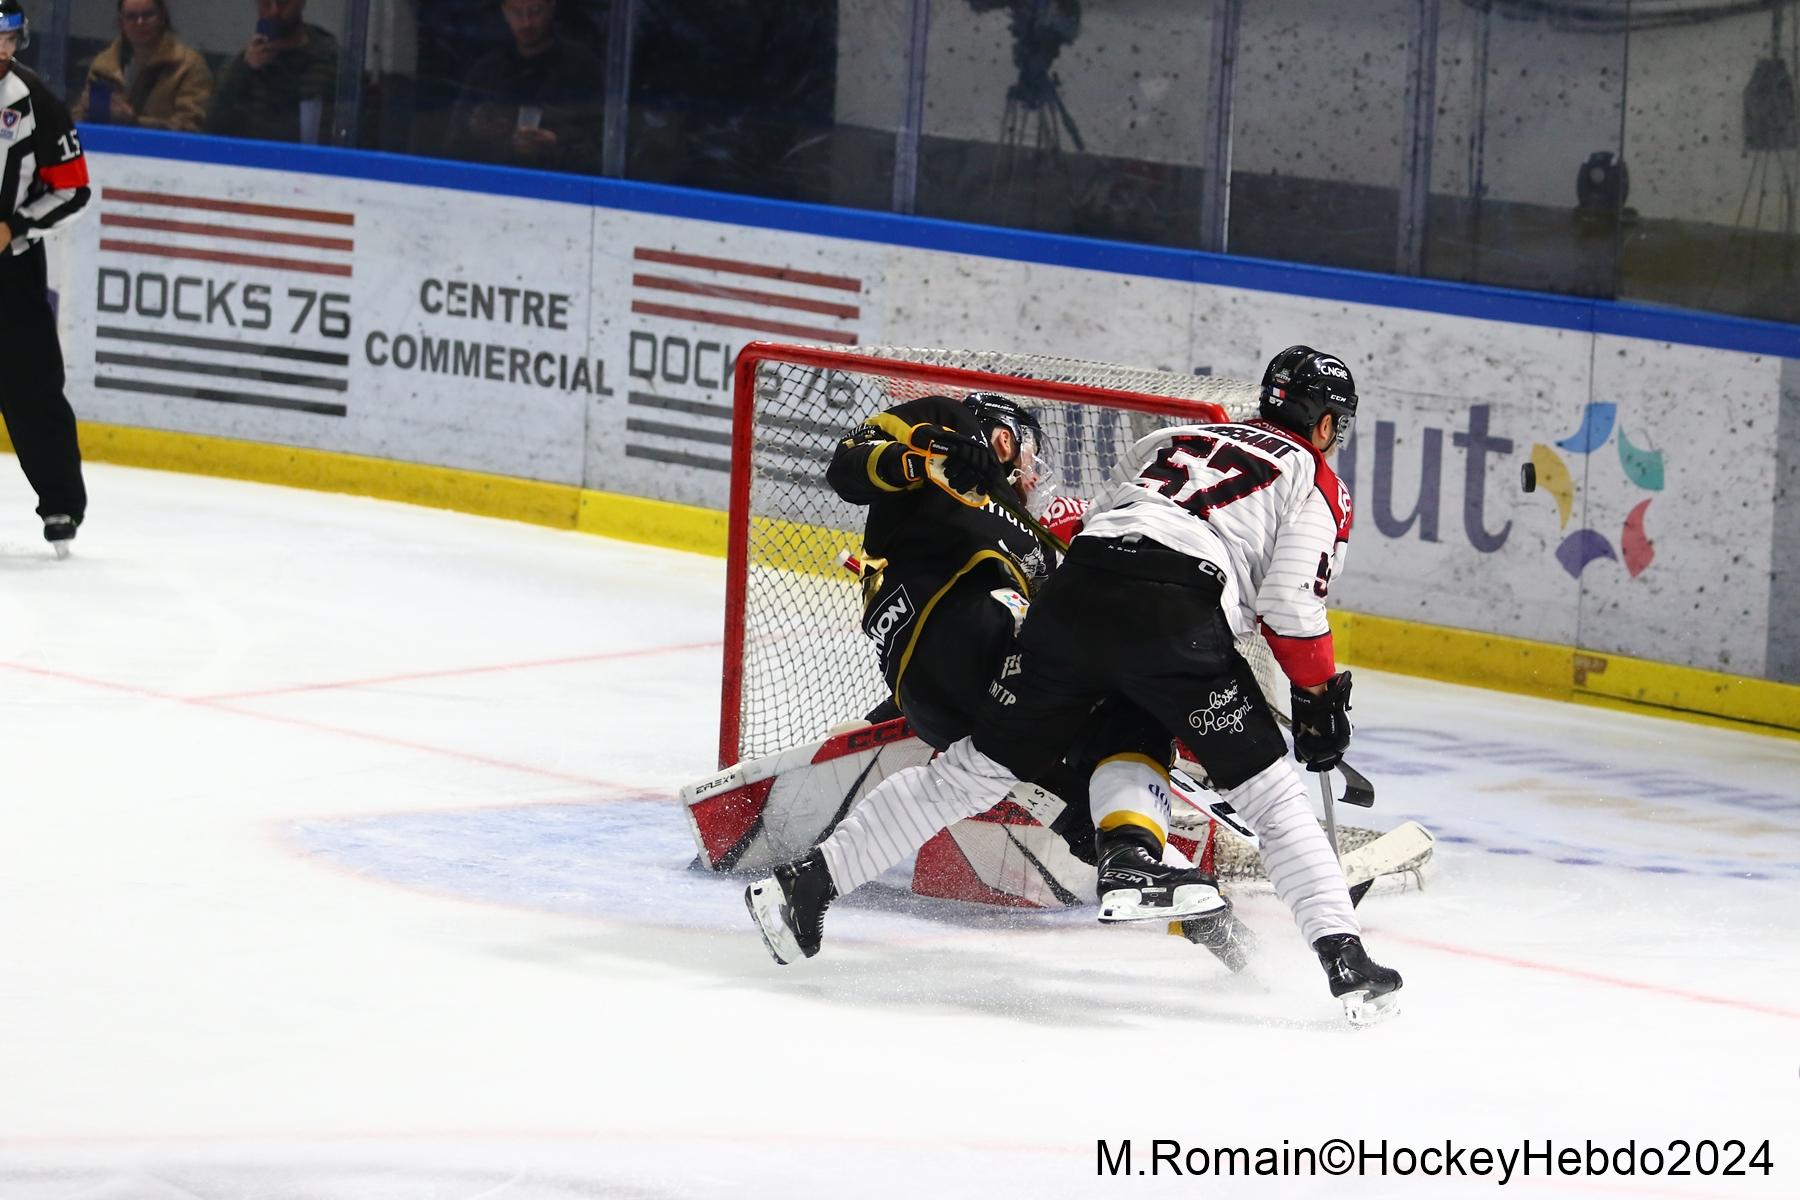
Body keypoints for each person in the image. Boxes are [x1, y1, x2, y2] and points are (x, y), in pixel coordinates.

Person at [748, 346, 1405, 1026]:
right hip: (1173, 610)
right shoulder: (1317, 481)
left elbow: (1101, 523)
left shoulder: (1176, 438)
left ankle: (804, 888)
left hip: (1072, 599)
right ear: (1326, 425)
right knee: (1270, 794)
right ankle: (1346, 963)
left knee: (976, 770)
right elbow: (1292, 610)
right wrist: (1320, 701)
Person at [758, 389, 1249, 964]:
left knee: (1070, 808)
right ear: (1004, 437)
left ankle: (805, 887)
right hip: (970, 631)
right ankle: (1166, 777)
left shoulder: (1027, 530)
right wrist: (923, 458)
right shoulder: (946, 426)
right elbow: (849, 465)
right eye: (1028, 451)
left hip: (945, 693)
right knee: (1129, 715)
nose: (1033, 469)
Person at [0, 0, 91, 558]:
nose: (3, 50)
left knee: (32, 387)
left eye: (11, 38)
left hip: (11, 274)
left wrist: (15, 227)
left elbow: (74, 187)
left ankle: (60, 503)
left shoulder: (36, 102)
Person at [442, 0, 604, 174]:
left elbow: (603, 152)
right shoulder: (487, 71)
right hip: (492, 183)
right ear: (504, 12)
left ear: (551, 7)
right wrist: (476, 132)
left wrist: (556, 145)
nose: (526, 22)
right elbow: (453, 148)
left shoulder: (583, 69)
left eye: (535, 11)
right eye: (516, 12)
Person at [206, 0, 338, 145]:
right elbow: (211, 128)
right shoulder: (240, 68)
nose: (274, 10)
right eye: (266, 3)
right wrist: (244, 69)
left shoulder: (331, 63)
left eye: (283, 2)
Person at [73, 0, 213, 133]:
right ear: (121, 23)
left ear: (162, 17)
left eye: (147, 15)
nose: (139, 23)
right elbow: (77, 118)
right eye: (131, 16)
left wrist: (134, 121)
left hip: (162, 155)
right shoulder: (103, 66)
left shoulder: (188, 66)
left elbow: (191, 128)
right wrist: (85, 113)